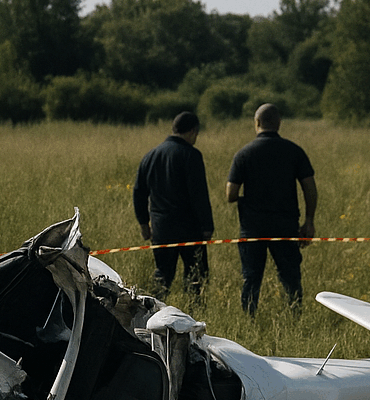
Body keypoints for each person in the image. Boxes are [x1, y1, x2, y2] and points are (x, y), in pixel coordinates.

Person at [226, 103, 317, 315]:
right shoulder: (294, 151)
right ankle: (294, 316)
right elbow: (310, 188)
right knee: (290, 277)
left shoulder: (243, 154)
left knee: (251, 278)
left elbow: (230, 195)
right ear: (279, 123)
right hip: (285, 226)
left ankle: (249, 318)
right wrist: (309, 220)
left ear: (256, 123)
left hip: (252, 228)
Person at [133, 111, 214, 301]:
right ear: (193, 131)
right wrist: (207, 226)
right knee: (196, 276)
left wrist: (144, 224)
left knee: (162, 275)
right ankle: (193, 314)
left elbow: (139, 192)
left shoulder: (150, 156)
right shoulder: (191, 155)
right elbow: (199, 194)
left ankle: (152, 312)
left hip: (161, 228)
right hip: (190, 227)